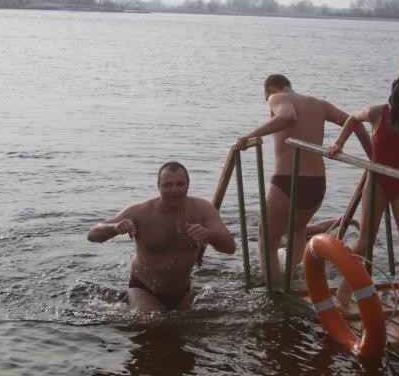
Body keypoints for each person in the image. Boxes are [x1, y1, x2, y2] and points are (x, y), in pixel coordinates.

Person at [325, 75, 399, 333]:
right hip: (377, 180)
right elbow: (352, 120)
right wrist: (338, 144)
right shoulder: (376, 113)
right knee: (365, 242)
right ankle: (344, 289)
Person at [236, 74, 373, 286]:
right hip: (317, 186)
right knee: (296, 230)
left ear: (270, 90)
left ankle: (276, 292)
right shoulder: (319, 104)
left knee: (266, 241)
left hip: (287, 181)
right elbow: (355, 123)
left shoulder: (277, 97)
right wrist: (373, 157)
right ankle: (293, 280)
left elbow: (288, 116)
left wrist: (249, 136)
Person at [87, 161, 236, 312]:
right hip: (144, 288)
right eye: (168, 185)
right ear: (158, 186)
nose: (174, 190)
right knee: (153, 322)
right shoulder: (141, 212)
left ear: (188, 185)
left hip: (182, 291)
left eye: (180, 184)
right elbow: (92, 234)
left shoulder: (203, 210)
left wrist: (209, 235)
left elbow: (230, 247)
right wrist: (114, 228)